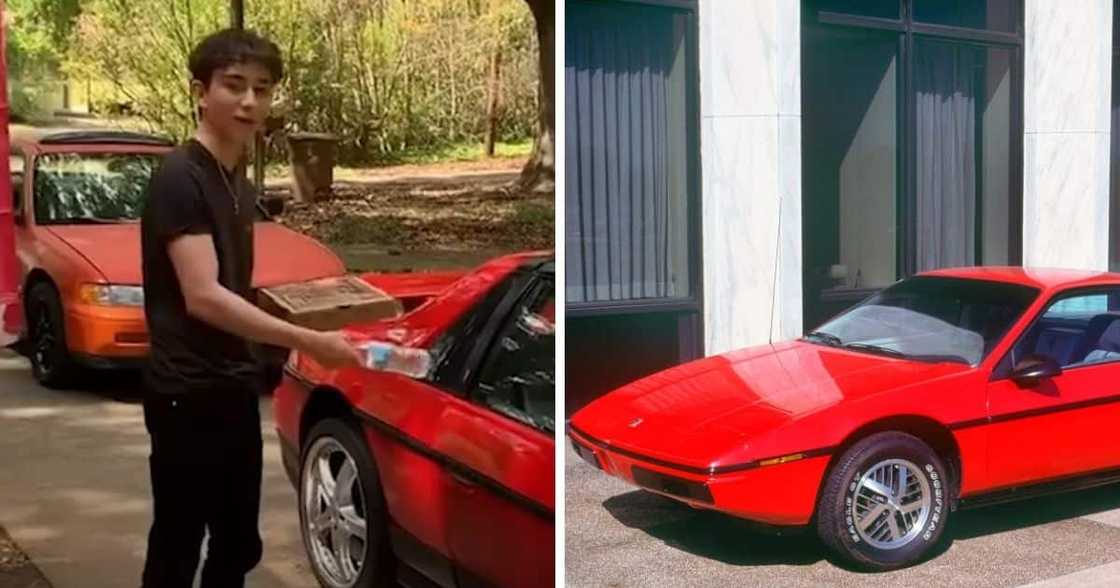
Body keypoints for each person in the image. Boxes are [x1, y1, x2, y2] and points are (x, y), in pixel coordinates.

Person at [139, 28, 362, 588]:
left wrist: (300, 311)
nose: (249, 102)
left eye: (261, 89)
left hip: (231, 385)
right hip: (185, 394)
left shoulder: (236, 179)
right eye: (233, 86)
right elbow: (204, 296)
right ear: (200, 90)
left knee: (238, 543)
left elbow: (234, 289)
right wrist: (310, 342)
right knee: (178, 541)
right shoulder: (180, 178)